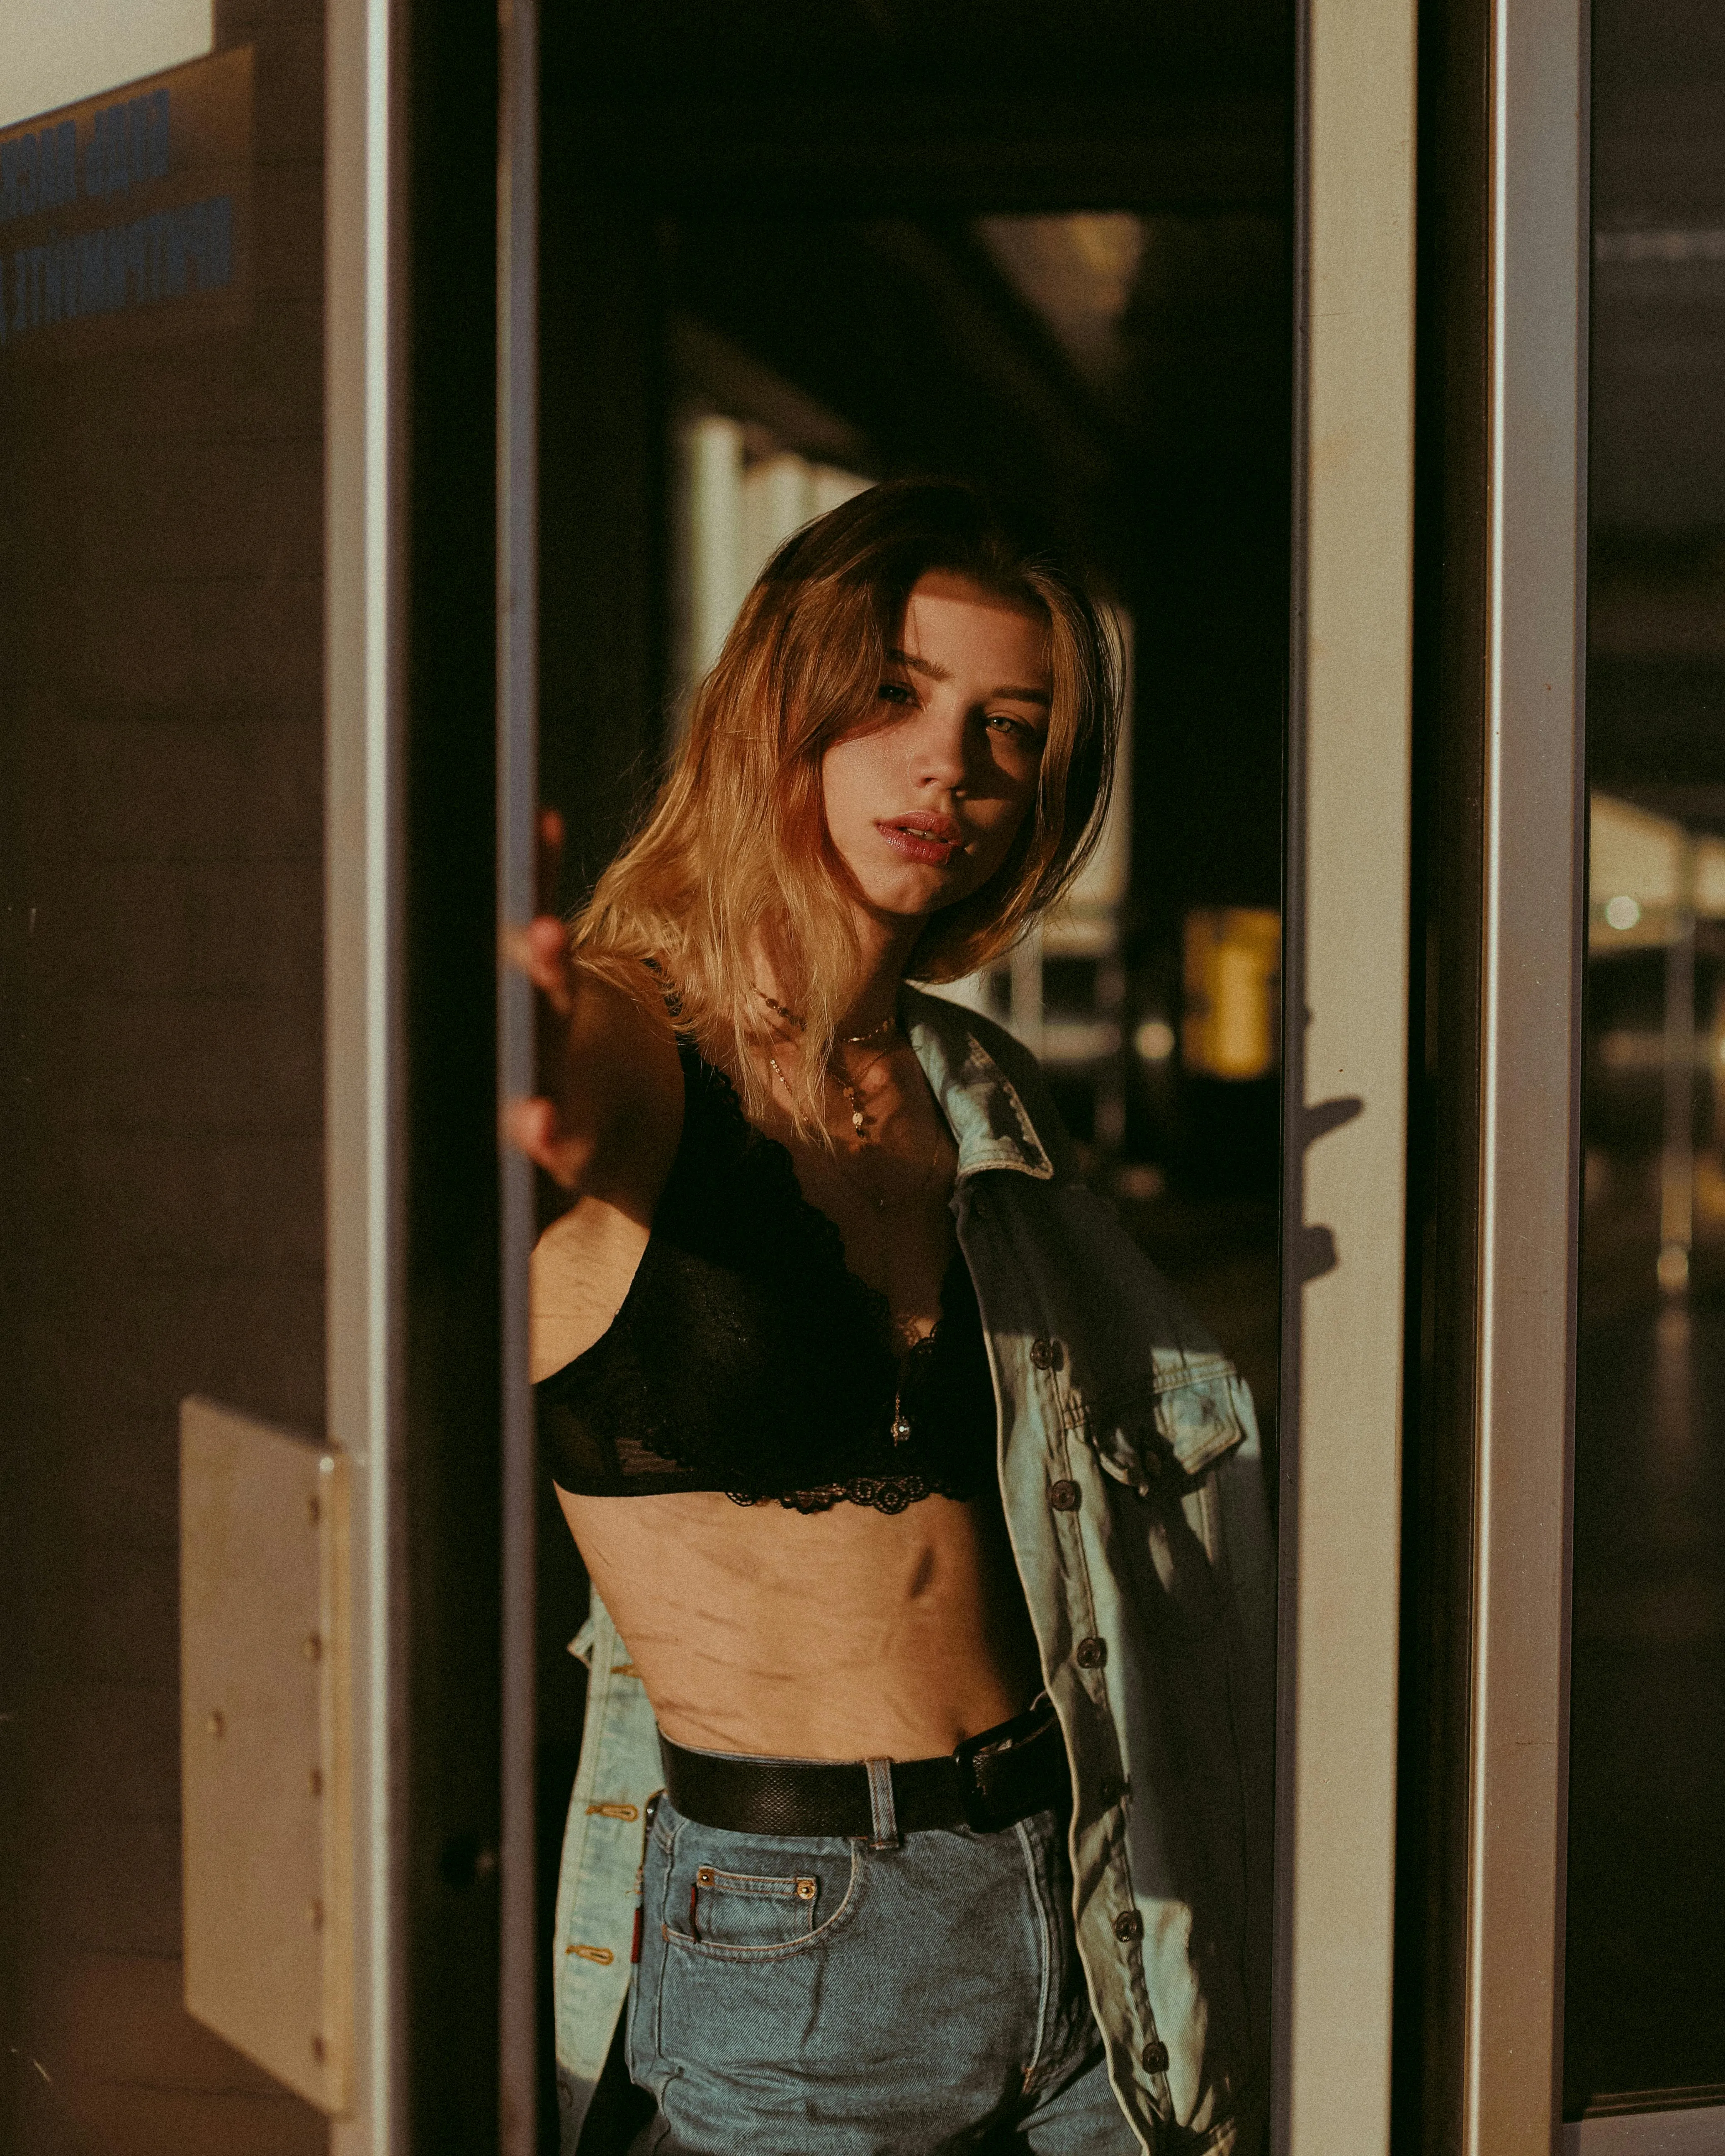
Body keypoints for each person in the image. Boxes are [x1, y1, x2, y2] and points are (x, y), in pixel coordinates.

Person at [508, 480, 1274, 2156]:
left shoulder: (961, 1086)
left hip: (1084, 1914)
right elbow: (549, 1085)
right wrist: (509, 1002)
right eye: (896, 698)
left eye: (1009, 731)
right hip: (794, 1944)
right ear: (780, 703)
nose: (950, 769)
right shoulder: (644, 1060)